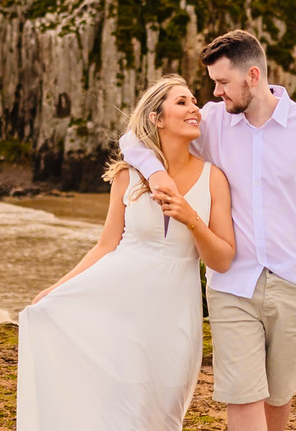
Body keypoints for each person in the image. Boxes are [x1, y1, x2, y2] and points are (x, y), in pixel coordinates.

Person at [121, 30, 296, 431]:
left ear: (253, 76)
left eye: (223, 82)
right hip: (232, 285)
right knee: (242, 397)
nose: (215, 92)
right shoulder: (212, 121)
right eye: (213, 82)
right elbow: (133, 137)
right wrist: (158, 174)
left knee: (278, 400)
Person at [16, 75, 235, 431]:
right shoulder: (127, 176)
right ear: (156, 118)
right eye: (182, 102)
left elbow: (222, 259)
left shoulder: (214, 179)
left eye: (194, 101)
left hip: (175, 315)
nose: (195, 108)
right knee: (119, 410)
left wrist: (190, 218)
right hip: (119, 306)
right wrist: (57, 289)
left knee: (164, 413)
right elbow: (106, 245)